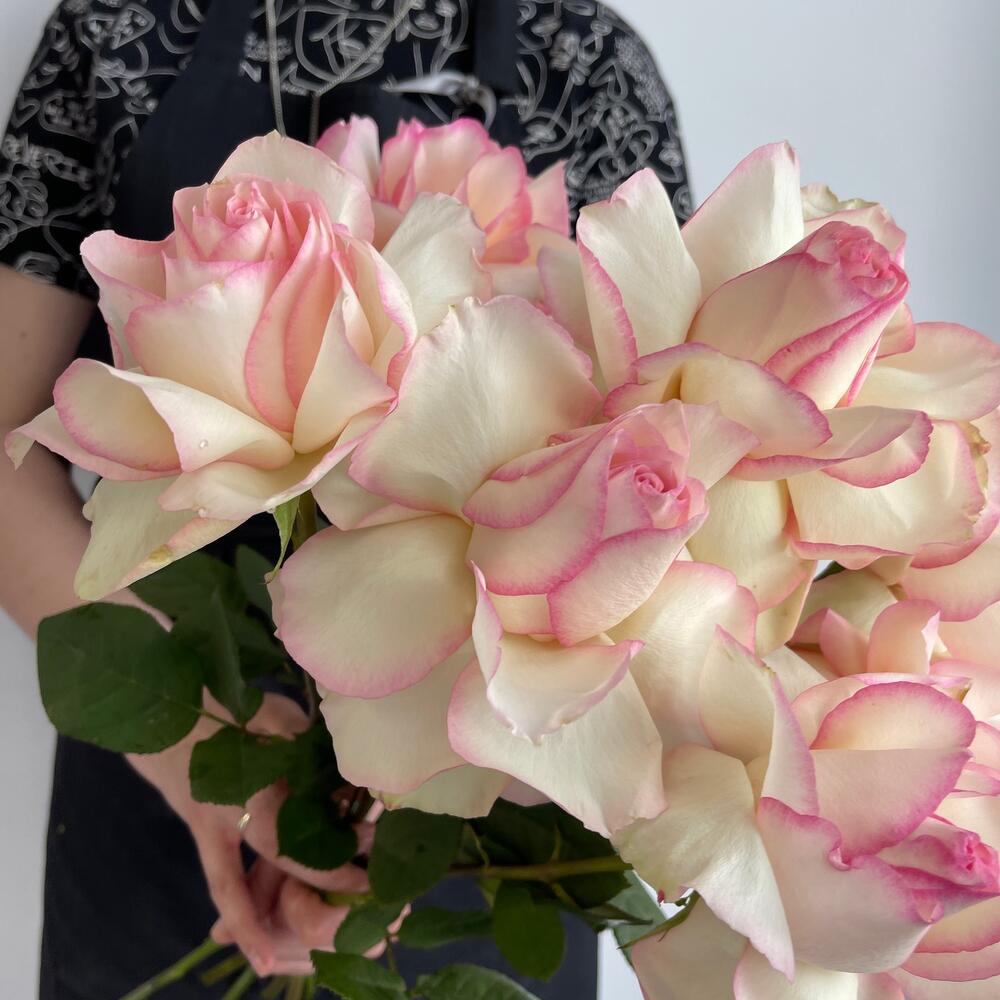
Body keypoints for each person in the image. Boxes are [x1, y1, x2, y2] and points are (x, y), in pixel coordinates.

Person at [0, 1, 690, 996]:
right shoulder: (120, 34)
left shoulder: (585, 65)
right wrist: (202, 754)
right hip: (169, 789)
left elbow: (669, 465)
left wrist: (398, 801)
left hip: (483, 827)